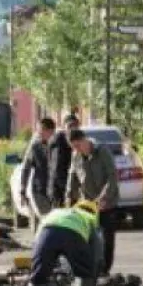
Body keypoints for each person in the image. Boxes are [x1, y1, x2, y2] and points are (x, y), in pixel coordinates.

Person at [21, 201, 104, 286]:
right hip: (74, 235)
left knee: (38, 275)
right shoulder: (91, 219)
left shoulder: (56, 213)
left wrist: (43, 263)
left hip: (47, 231)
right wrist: (92, 276)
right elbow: (97, 256)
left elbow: (38, 241)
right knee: (84, 274)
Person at [67, 129, 120, 275]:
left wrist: (104, 198)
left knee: (107, 239)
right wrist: (69, 198)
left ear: (85, 140)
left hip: (106, 202)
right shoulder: (76, 156)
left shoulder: (102, 152)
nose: (77, 150)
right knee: (88, 237)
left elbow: (112, 177)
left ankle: (105, 270)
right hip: (87, 203)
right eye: (74, 147)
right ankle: (90, 268)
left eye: (79, 146)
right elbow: (72, 178)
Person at [19, 118, 58, 226]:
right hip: (40, 191)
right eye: (38, 131)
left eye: (41, 131)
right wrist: (22, 189)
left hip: (58, 191)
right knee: (47, 221)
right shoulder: (35, 147)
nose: (38, 133)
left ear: (50, 131)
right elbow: (26, 168)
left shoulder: (60, 146)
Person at [48, 114, 79, 207]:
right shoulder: (59, 141)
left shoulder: (77, 140)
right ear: (64, 127)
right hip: (59, 190)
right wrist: (67, 191)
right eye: (70, 126)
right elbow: (57, 169)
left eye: (75, 126)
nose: (73, 129)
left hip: (72, 188)